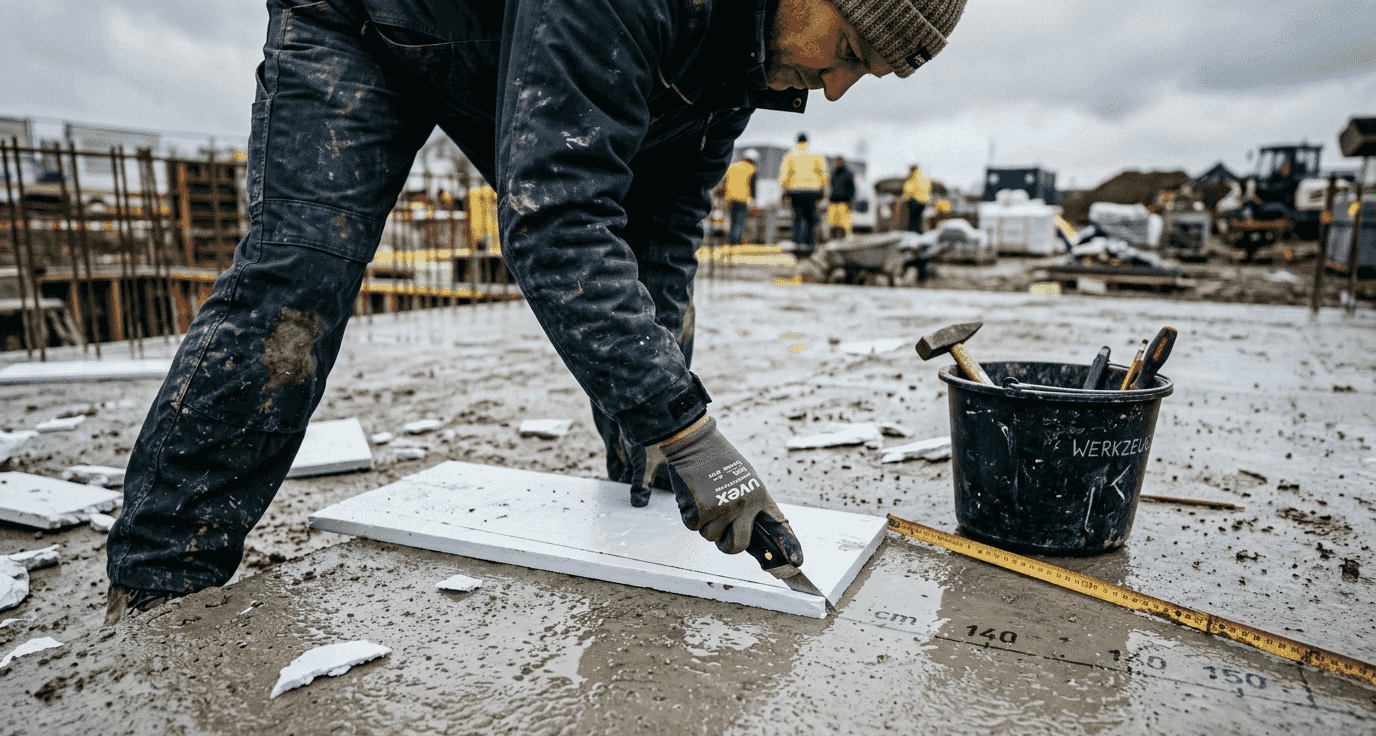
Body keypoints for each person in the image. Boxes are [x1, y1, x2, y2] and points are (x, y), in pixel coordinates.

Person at [103, 0, 968, 622]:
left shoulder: (741, 62)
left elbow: (656, 245)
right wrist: (694, 433)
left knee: (648, 315)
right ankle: (164, 572)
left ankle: (639, 487)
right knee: (301, 275)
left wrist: (663, 447)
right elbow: (552, 218)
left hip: (508, 47)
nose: (839, 87)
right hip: (368, 23)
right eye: (849, 49)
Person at [779, 133, 828, 256]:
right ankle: (809, 244)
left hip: (795, 191)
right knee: (810, 218)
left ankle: (797, 243)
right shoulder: (816, 153)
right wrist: (823, 189)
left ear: (797, 141)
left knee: (797, 217)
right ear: (807, 141)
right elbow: (823, 172)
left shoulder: (790, 154)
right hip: (812, 191)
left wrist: (784, 191)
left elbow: (784, 175)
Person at [723, 149, 759, 247]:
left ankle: (731, 242)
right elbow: (752, 186)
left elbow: (725, 183)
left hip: (729, 198)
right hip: (741, 199)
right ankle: (735, 243)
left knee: (732, 221)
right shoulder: (752, 168)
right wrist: (754, 201)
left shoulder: (733, 166)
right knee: (739, 222)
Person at [827, 156, 856, 238]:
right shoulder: (833, 173)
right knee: (833, 224)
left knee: (845, 225)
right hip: (833, 202)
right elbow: (831, 186)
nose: (837, 163)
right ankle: (833, 239)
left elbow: (852, 189)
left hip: (844, 202)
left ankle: (846, 239)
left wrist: (850, 201)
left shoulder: (848, 174)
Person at [902, 163, 931, 233]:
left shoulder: (912, 178)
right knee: (919, 218)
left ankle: (913, 233)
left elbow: (908, 190)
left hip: (915, 201)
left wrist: (904, 198)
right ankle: (919, 232)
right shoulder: (923, 177)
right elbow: (928, 188)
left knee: (912, 219)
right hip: (924, 202)